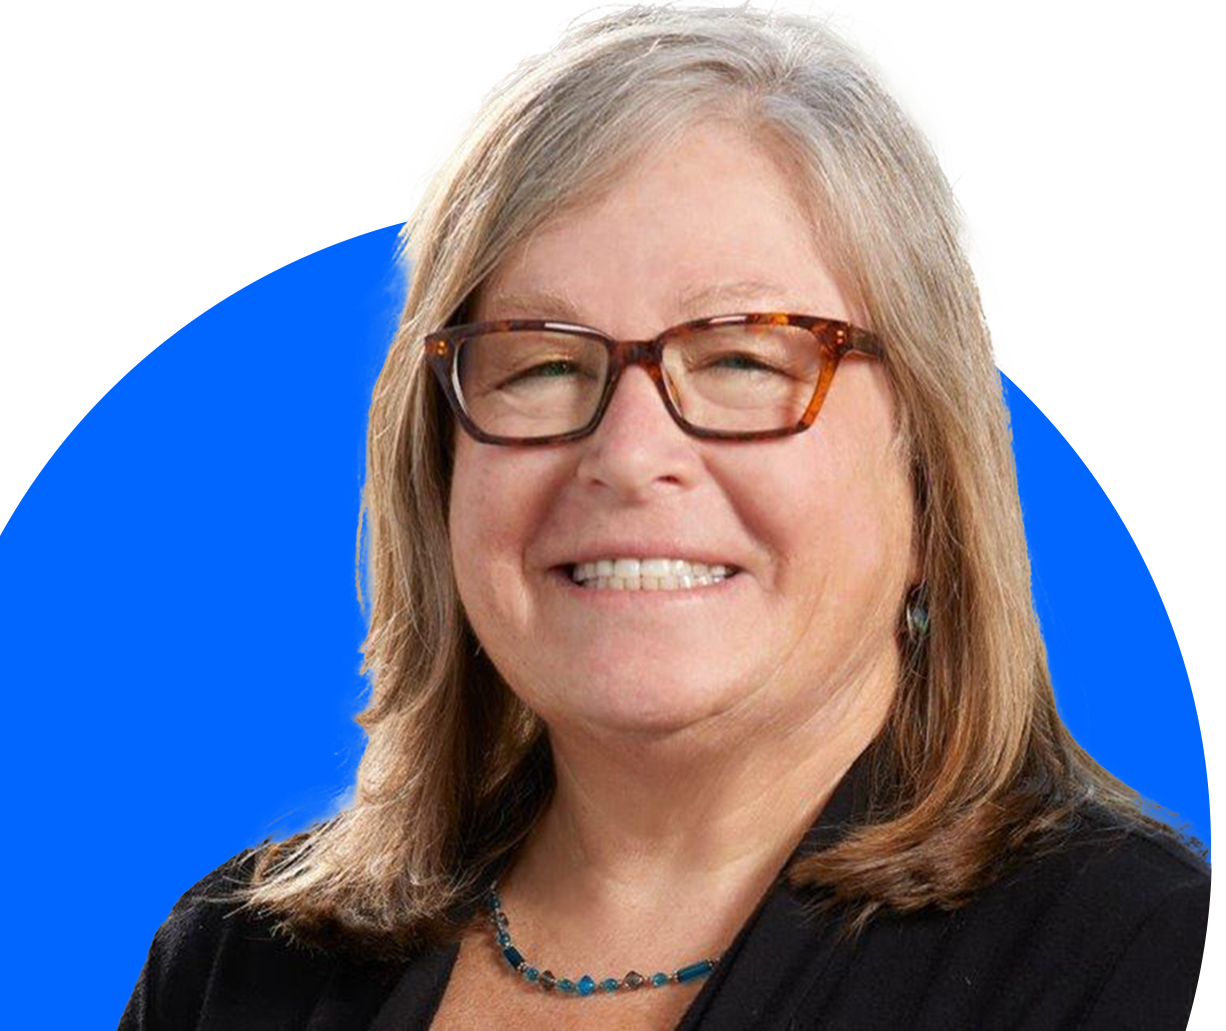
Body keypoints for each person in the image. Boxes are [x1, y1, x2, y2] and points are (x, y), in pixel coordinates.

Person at [119, 6, 1209, 1029]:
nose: (629, 456)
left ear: (929, 474)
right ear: (438, 467)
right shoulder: (233, 968)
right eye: (541, 365)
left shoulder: (1151, 962)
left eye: (741, 359)